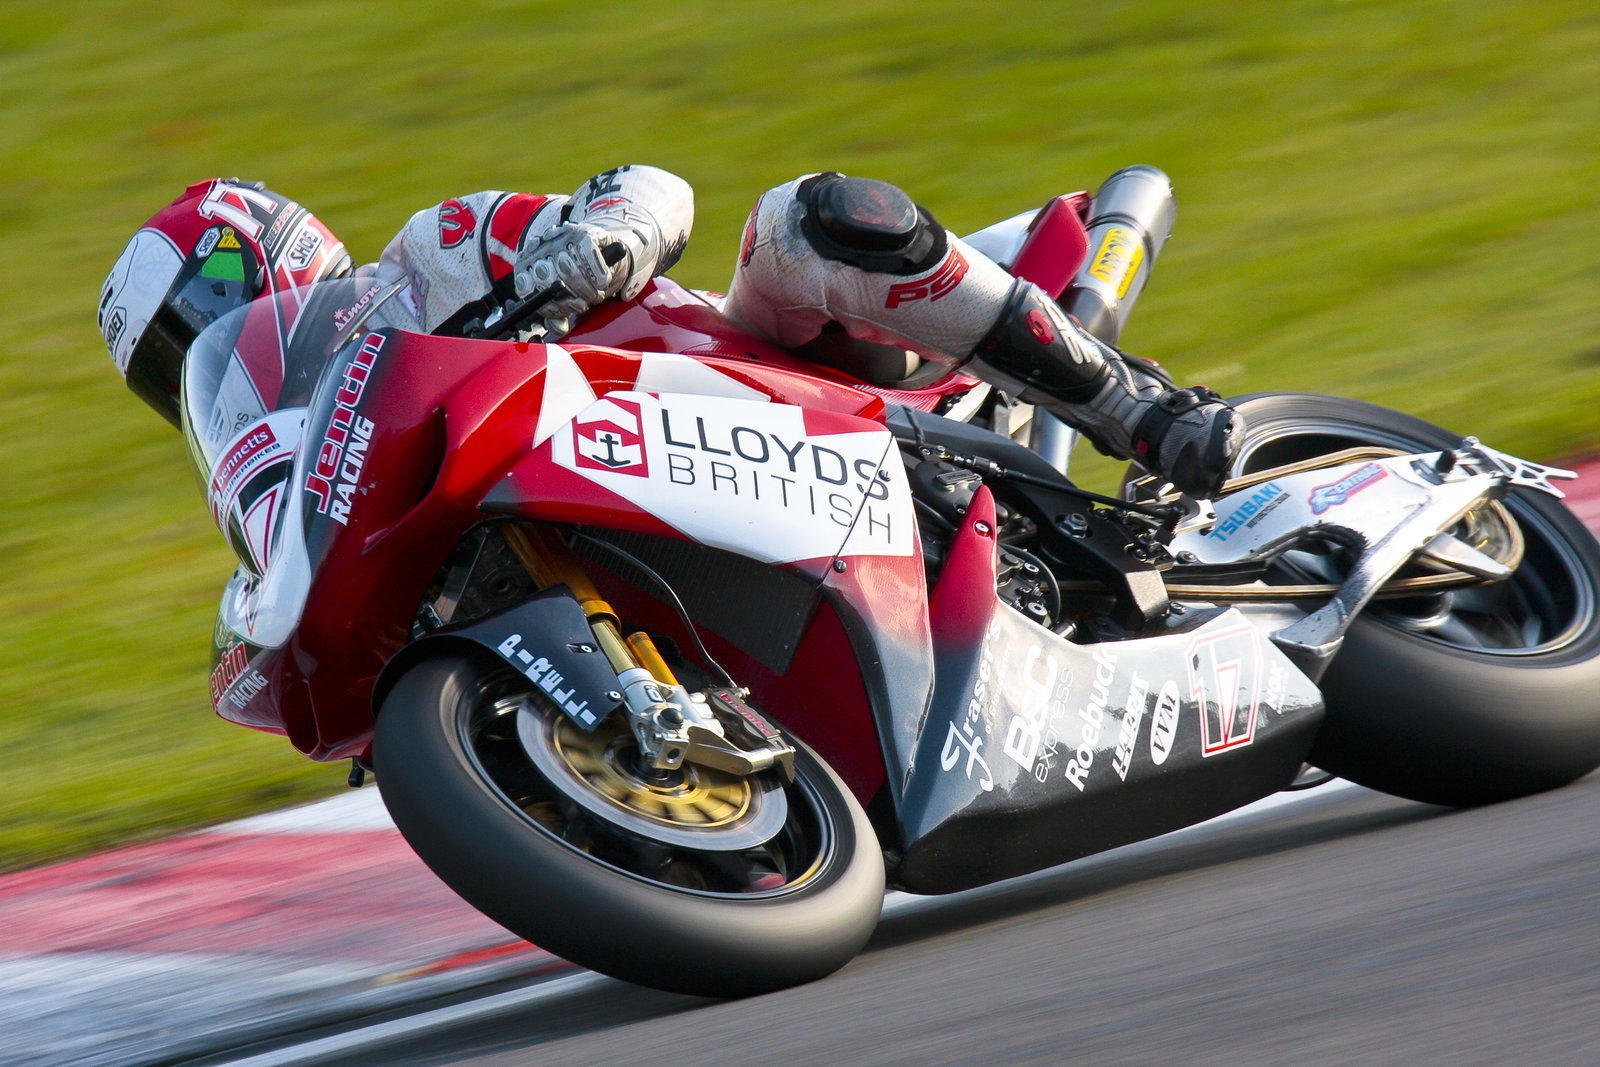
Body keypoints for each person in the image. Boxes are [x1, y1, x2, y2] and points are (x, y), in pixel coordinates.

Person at [98, 167, 1239, 496]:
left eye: (199, 316)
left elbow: (650, 190)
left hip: (761, 375)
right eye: (171, 364)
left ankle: (1132, 406)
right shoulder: (302, 487)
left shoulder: (429, 257)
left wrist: (586, 251)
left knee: (805, 218)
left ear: (270, 253)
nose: (202, 356)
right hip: (649, 503)